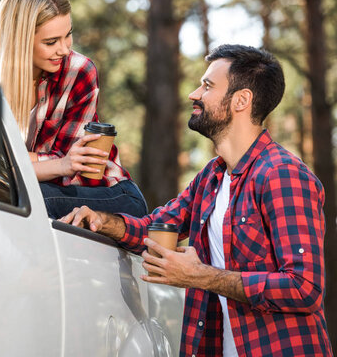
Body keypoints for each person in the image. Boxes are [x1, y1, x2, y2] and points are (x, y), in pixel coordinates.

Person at [60, 45, 332, 357]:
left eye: (207, 86)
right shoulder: (212, 178)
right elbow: (155, 229)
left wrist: (201, 276)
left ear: (241, 100)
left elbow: (304, 287)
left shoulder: (281, 175)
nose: (193, 94)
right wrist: (103, 221)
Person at [0, 0, 147, 219]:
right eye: (51, 42)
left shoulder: (79, 71)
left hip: (107, 193)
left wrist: (10, 160)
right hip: (30, 186)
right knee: (13, 194)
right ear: (20, 43)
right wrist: (52, 163)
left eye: (68, 35)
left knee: (26, 198)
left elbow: (68, 165)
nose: (64, 49)